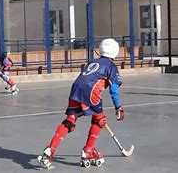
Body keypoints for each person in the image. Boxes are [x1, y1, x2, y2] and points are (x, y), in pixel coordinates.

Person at [37, 38, 124, 169]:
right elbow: (114, 89)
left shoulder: (93, 62)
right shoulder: (111, 66)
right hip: (91, 92)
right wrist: (118, 107)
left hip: (76, 88)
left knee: (70, 120)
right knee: (99, 121)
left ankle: (49, 151)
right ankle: (88, 151)